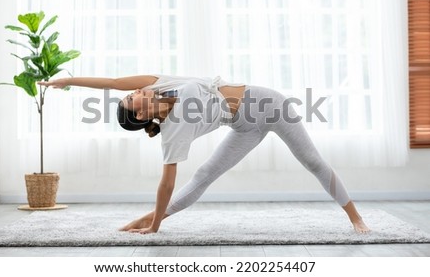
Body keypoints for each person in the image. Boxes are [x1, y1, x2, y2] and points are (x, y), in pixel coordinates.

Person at [39, 74, 370, 234]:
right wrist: (157, 225)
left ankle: (356, 219)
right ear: (140, 116)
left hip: (270, 104)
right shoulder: (171, 133)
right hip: (244, 128)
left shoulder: (160, 83)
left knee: (311, 160)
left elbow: (112, 81)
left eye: (131, 93)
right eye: (131, 99)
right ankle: (147, 222)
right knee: (203, 176)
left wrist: (67, 81)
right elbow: (166, 184)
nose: (134, 92)